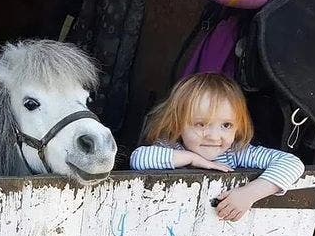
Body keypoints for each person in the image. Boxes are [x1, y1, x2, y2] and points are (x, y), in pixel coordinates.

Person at [130, 73, 305, 222]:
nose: (213, 137)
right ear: (177, 124)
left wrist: (249, 194)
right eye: (200, 124)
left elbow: (292, 163)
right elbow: (138, 159)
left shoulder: (236, 153)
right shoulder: (171, 146)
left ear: (238, 127)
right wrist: (192, 158)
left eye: (226, 125)